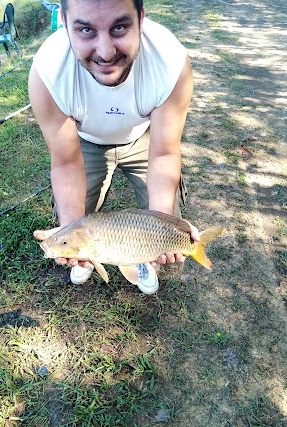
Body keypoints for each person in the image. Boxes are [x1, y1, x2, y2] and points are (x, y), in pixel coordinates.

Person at [29, 0, 200, 295]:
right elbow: (66, 163)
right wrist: (72, 241)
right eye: (85, 30)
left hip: (147, 139)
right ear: (64, 23)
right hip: (85, 142)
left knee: (164, 218)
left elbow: (164, 153)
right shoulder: (48, 73)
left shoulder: (170, 62)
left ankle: (144, 261)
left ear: (141, 19)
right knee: (78, 218)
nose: (106, 52)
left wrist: (159, 229)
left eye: (119, 27)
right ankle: (88, 257)